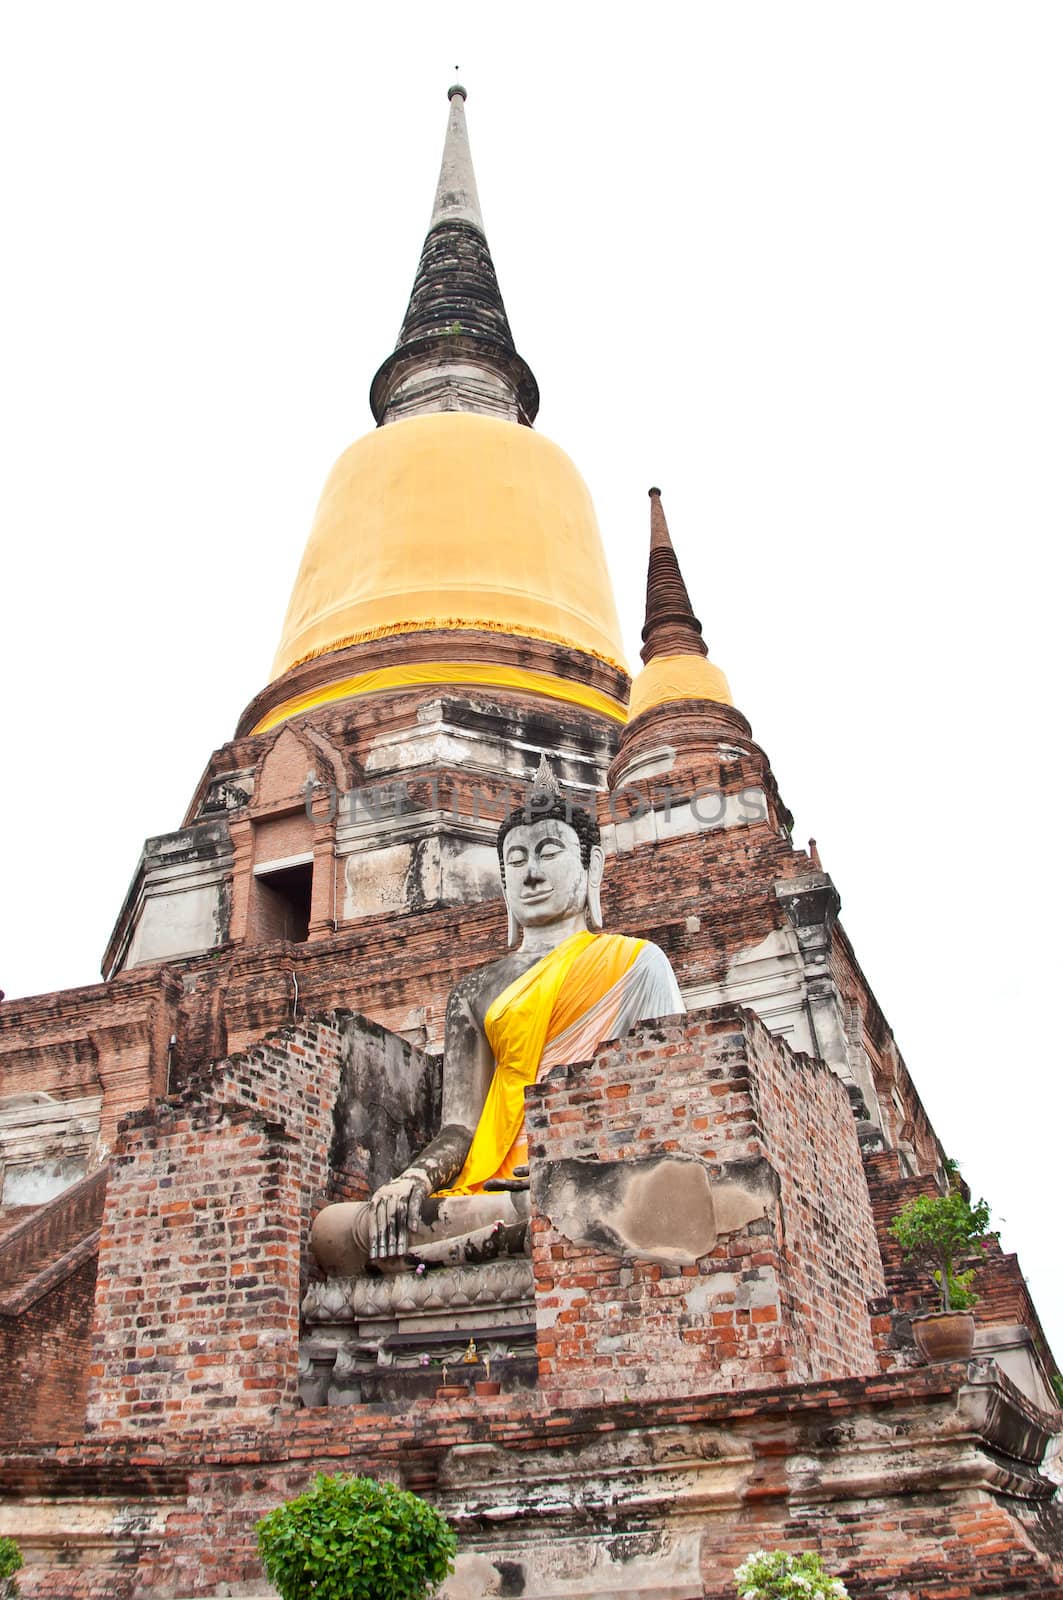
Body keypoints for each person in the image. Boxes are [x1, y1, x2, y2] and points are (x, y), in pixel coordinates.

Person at [310, 760, 684, 1276]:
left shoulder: (638, 964)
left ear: (592, 867)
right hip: (492, 1191)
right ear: (503, 880)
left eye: (549, 853)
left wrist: (578, 1160)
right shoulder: (475, 990)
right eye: (515, 860)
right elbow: (460, 1127)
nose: (530, 873)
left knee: (595, 1200)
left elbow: (662, 1099)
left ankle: (528, 1230)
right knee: (336, 1229)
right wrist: (412, 1180)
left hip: (594, 1172)